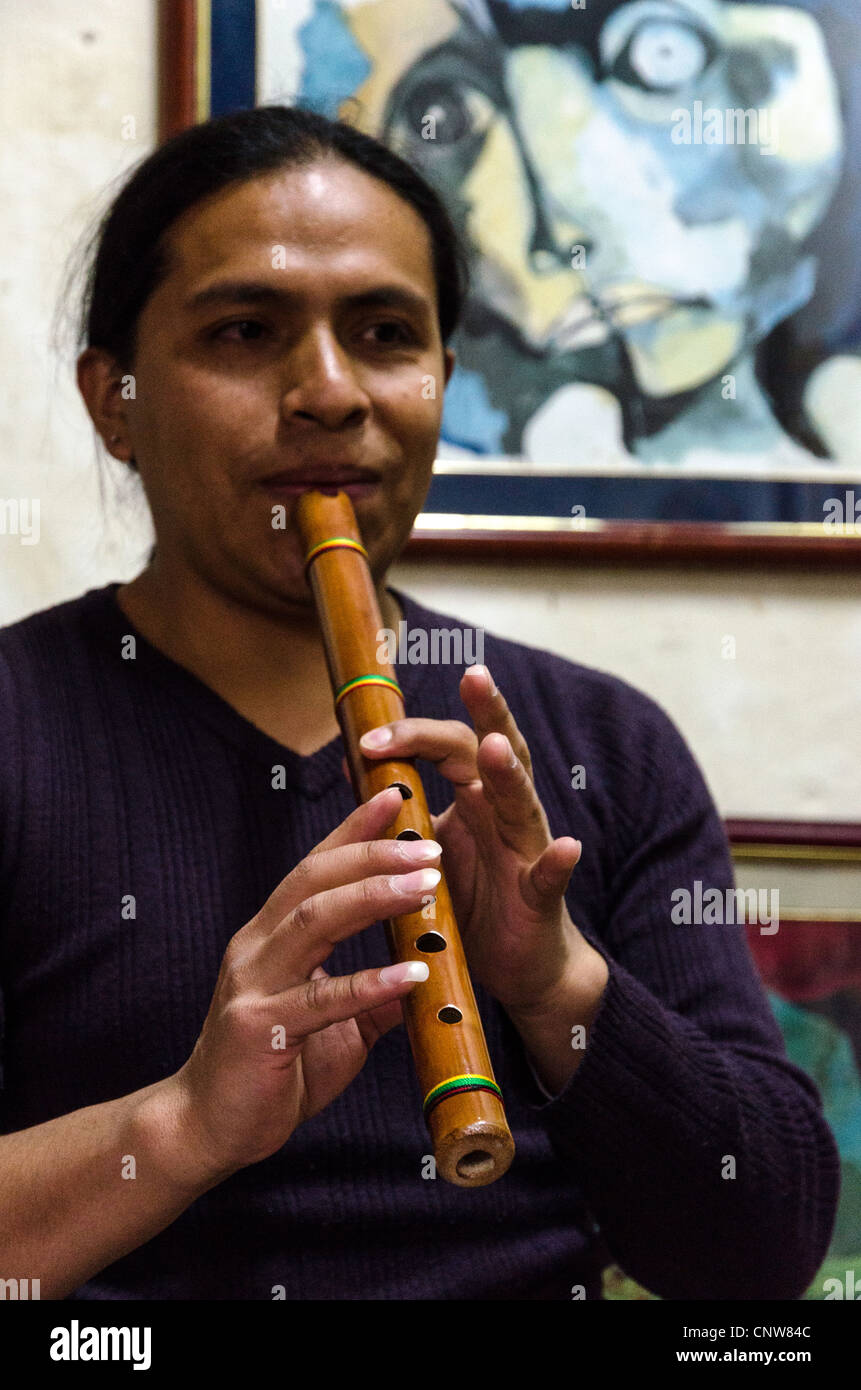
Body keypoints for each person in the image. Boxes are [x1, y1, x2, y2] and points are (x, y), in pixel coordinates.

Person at [0, 105, 839, 1301]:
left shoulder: (603, 744)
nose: (331, 393)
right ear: (115, 400)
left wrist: (558, 986)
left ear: (442, 376)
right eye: (246, 330)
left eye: (386, 333)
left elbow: (760, 1258)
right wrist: (179, 1126)